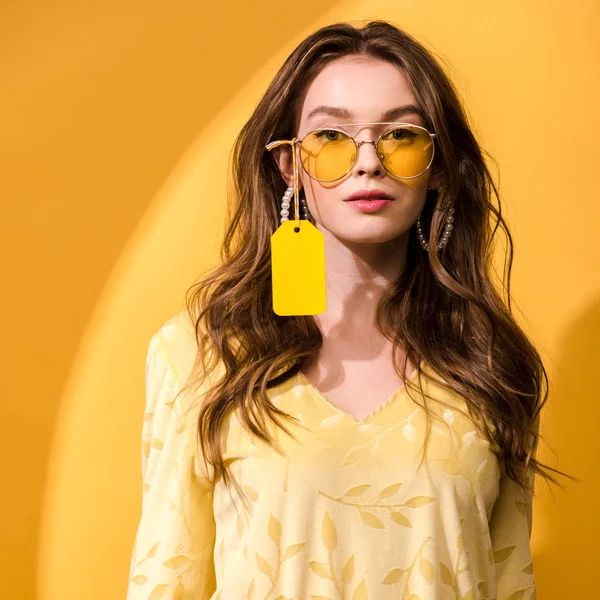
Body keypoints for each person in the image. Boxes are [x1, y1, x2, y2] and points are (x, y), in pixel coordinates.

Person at [125, 20, 575, 600]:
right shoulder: (200, 352)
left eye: (401, 135)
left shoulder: (490, 363)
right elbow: (164, 581)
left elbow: (511, 584)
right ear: (290, 164)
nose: (368, 162)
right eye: (331, 136)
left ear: (438, 164)